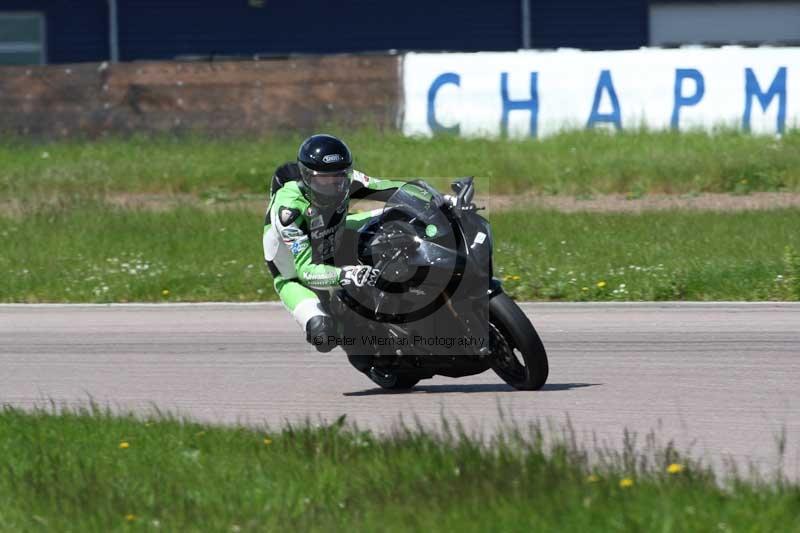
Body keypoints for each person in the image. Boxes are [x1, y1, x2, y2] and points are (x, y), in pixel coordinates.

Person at [262, 134, 406, 353]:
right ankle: (356, 338)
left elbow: (389, 188)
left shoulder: (346, 178)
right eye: (324, 179)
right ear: (307, 177)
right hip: (295, 275)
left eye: (339, 176)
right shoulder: (289, 211)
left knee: (401, 214)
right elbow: (306, 271)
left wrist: (439, 199)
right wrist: (346, 275)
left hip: (334, 239)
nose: (335, 185)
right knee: (323, 335)